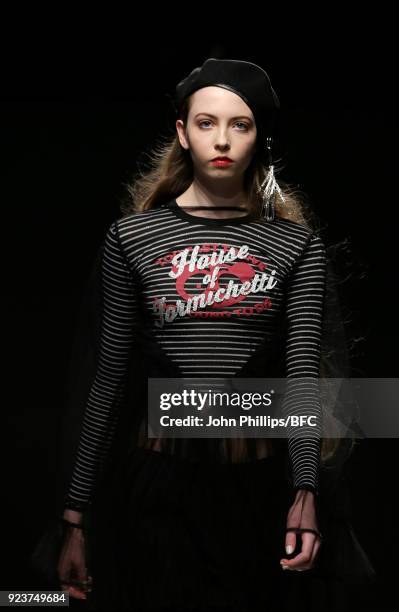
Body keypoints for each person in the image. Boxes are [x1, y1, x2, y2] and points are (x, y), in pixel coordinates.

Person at [54, 58, 376, 611]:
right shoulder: (132, 238)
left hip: (257, 493)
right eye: (206, 123)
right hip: (151, 492)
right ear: (182, 133)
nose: (222, 139)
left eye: (240, 124)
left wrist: (304, 493)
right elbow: (106, 380)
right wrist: (74, 518)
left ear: (259, 135)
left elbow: (304, 375)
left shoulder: (296, 246)